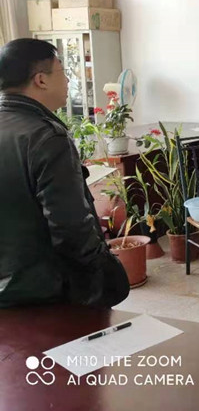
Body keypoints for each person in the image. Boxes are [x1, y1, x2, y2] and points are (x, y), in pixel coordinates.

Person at [0, 38, 129, 308]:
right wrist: (104, 275)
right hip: (47, 293)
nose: (68, 81)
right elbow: (71, 227)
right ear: (40, 80)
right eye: (62, 71)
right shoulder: (46, 137)